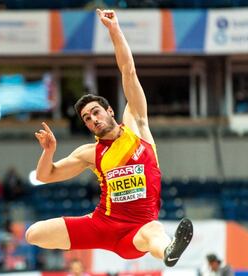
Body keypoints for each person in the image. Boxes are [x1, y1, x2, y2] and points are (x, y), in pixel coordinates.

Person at [25, 9, 193, 267]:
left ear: (110, 111)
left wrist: (114, 30)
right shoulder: (89, 153)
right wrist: (48, 151)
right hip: (102, 225)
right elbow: (45, 176)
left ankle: (170, 250)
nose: (93, 119)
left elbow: (128, 70)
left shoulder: (136, 125)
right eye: (87, 118)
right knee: (33, 233)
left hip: (137, 232)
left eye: (95, 112)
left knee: (154, 232)